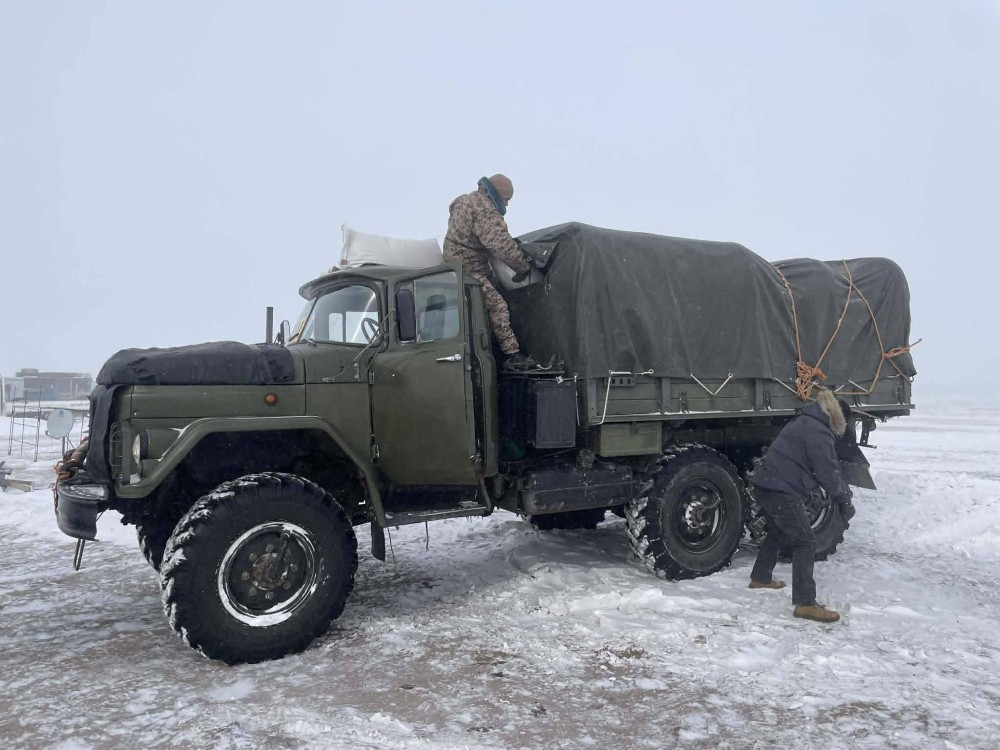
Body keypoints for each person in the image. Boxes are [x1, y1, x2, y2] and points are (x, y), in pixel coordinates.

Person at [748, 387, 856, 623]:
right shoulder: (819, 431)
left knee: (778, 531)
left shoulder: (806, 421)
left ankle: (761, 577)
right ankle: (805, 604)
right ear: (837, 418)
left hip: (766, 484)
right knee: (805, 541)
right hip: (780, 489)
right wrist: (843, 499)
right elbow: (827, 471)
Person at [443, 174, 535, 370]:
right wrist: (523, 266)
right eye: (506, 200)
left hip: (454, 266)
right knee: (498, 305)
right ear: (497, 195)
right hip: (468, 269)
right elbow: (501, 245)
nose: (507, 206)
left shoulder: (464, 200)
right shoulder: (484, 210)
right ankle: (512, 355)